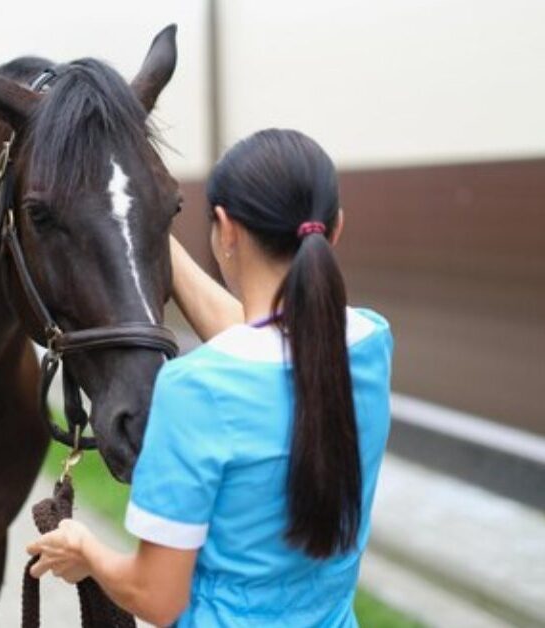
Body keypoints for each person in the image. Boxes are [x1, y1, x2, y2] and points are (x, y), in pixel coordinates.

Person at [26, 128, 393, 627]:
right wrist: (148, 232)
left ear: (224, 230)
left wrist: (86, 551)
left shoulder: (194, 390)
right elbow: (264, 339)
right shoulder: (368, 344)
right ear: (336, 227)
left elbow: (157, 597)